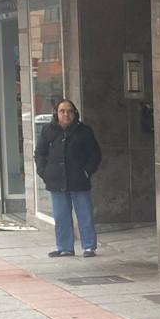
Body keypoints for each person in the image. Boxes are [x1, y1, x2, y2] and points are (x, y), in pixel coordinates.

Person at [34, 99, 102, 257]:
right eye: (62, 111)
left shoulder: (84, 131)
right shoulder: (48, 130)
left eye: (69, 111)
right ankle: (65, 247)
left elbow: (95, 154)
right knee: (61, 215)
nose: (66, 114)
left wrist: (87, 171)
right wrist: (44, 172)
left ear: (75, 113)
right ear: (56, 113)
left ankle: (89, 246)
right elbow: (40, 153)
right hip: (56, 180)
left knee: (84, 214)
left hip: (79, 179)